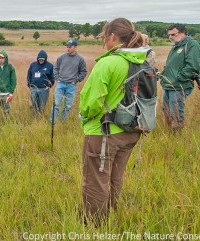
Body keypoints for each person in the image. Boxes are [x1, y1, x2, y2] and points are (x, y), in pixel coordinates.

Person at [78, 18, 145, 226]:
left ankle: (93, 226)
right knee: (115, 177)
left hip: (104, 132)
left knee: (96, 181)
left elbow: (90, 103)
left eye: (103, 36)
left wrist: (84, 115)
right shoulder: (140, 60)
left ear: (113, 37)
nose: (103, 41)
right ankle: (110, 216)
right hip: (132, 130)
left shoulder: (109, 62)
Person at [160, 24, 200, 131]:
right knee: (166, 111)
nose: (170, 37)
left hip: (179, 86)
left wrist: (178, 78)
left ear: (183, 33)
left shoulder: (192, 44)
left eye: (173, 34)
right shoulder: (177, 45)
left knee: (176, 113)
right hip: (168, 85)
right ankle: (169, 135)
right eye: (169, 35)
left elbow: (193, 66)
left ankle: (176, 137)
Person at [51, 39, 88, 123]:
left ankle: (63, 123)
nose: (68, 49)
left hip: (71, 85)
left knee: (68, 106)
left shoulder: (80, 59)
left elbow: (83, 71)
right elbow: (55, 67)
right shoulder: (61, 57)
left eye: (70, 47)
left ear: (75, 47)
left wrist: (76, 80)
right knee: (56, 104)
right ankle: (53, 122)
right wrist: (57, 78)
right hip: (60, 84)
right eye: (67, 47)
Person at [0, 50, 17, 123]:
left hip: (6, 94)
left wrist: (11, 92)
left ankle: (6, 124)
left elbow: (13, 80)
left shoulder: (10, 67)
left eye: (2, 58)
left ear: (6, 58)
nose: (0, 59)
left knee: (6, 110)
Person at [26, 50, 54, 114]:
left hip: (44, 89)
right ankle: (34, 118)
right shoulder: (33, 65)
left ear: (45, 58)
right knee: (33, 105)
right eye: (40, 59)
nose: (41, 60)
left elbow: (52, 77)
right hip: (33, 89)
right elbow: (29, 75)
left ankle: (40, 118)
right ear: (37, 58)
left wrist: (49, 86)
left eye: (42, 59)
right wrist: (29, 84)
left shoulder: (50, 66)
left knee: (41, 106)